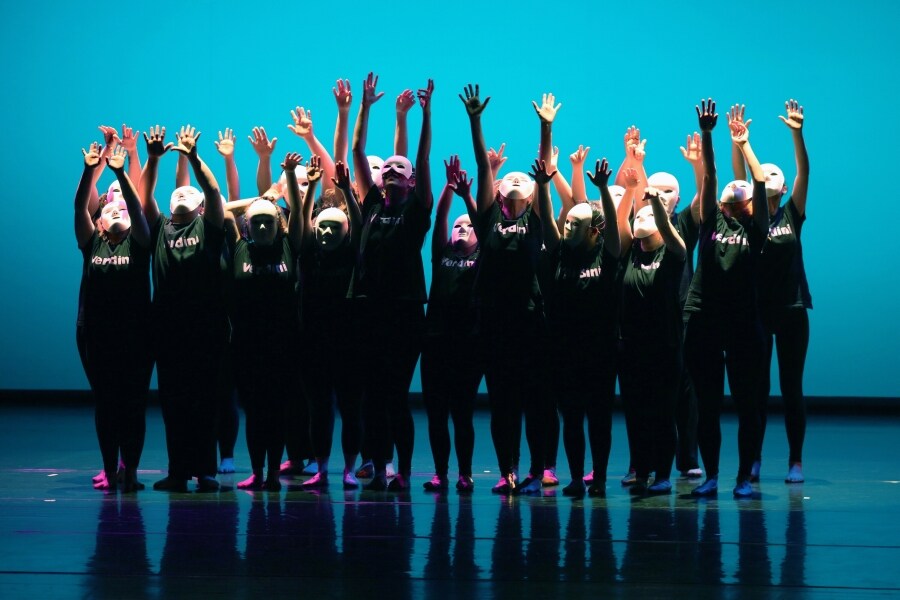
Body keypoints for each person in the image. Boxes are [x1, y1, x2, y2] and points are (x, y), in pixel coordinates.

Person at [459, 84, 549, 495]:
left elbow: (543, 175)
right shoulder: (488, 217)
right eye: (506, 183)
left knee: (533, 400)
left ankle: (535, 468)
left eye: (522, 185)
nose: (513, 187)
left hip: (529, 324)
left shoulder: (536, 220)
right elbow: (482, 165)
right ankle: (507, 471)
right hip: (493, 325)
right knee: (502, 405)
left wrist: (545, 131)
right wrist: (475, 121)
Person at [351, 73, 434, 491]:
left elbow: (419, 159)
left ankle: (401, 468)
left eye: (398, 170)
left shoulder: (416, 213)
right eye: (387, 169)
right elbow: (357, 151)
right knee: (370, 393)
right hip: (368, 307)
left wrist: (425, 114)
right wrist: (365, 108)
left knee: (396, 395)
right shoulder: (370, 205)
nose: (390, 172)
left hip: (403, 312)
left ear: (412, 181)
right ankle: (376, 463)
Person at [683, 100, 769, 498]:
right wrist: (708, 134)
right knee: (707, 403)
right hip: (704, 318)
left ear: (751, 206)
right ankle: (714, 475)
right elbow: (712, 175)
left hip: (742, 323)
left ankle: (742, 479)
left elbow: (762, 185)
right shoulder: (710, 222)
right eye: (730, 202)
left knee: (748, 403)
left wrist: (746, 145)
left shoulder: (756, 230)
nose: (736, 206)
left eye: (743, 202)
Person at [140, 125, 228, 493]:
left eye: (188, 194)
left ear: (200, 208)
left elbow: (212, 189)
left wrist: (193, 156)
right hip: (169, 331)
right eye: (177, 192)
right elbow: (143, 198)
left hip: (206, 330)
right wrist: (154, 158)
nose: (182, 195)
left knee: (204, 403)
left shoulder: (209, 228)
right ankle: (178, 471)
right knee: (174, 405)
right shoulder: (160, 228)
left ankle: (206, 472)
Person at [730, 101, 811, 483]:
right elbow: (740, 176)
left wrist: (797, 133)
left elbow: (804, 172)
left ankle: (795, 461)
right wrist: (739, 142)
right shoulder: (751, 215)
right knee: (757, 390)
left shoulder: (792, 213)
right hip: (758, 311)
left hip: (792, 308)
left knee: (791, 387)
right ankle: (756, 459)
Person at [534, 153, 621, 497]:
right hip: (564, 351)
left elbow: (614, 232)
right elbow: (546, 224)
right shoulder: (559, 253)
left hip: (600, 352)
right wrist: (543, 186)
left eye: (575, 225)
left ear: (593, 231)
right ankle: (574, 477)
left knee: (598, 418)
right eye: (567, 223)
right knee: (571, 417)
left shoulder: (606, 255)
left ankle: (598, 478)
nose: (568, 227)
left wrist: (603, 190)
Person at [226, 152, 307, 491]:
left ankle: (273, 473)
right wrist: (265, 198)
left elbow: (299, 213)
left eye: (268, 222)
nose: (261, 226)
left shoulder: (290, 245)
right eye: (256, 221)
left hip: (284, 347)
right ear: (247, 225)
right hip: (246, 347)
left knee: (277, 413)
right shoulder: (238, 246)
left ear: (278, 225)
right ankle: (257, 472)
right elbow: (227, 207)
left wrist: (286, 178)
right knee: (255, 414)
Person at [74, 143, 152, 493]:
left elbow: (136, 206)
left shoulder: (139, 243)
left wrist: (121, 171)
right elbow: (79, 206)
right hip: (98, 337)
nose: (118, 209)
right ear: (99, 219)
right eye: (111, 207)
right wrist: (91, 170)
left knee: (133, 406)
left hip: (136, 338)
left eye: (124, 206)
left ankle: (131, 471)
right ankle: (109, 469)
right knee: (106, 404)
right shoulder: (92, 243)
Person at [297, 161, 365, 490]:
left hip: (350, 346)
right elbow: (302, 226)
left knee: (351, 409)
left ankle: (349, 469)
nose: (325, 233)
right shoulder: (309, 256)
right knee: (319, 410)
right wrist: (310, 189)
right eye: (321, 228)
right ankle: (321, 468)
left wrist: (349, 192)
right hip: (313, 344)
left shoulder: (353, 255)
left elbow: (360, 224)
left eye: (333, 229)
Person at [616, 182, 687, 495]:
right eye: (639, 216)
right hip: (631, 349)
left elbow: (674, 240)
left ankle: (662, 474)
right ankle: (641, 471)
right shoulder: (629, 253)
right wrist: (626, 191)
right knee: (636, 414)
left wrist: (657, 205)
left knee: (662, 414)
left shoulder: (671, 255)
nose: (641, 219)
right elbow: (619, 222)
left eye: (651, 217)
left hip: (664, 348)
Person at [421, 156, 482, 493]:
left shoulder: (482, 257)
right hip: (435, 342)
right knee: (436, 414)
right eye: (458, 226)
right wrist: (447, 187)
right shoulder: (442, 253)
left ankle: (465, 473)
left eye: (467, 226)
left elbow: (482, 226)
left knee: (462, 414)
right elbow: (440, 216)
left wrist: (468, 200)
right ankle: (440, 473)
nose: (461, 229)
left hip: (468, 344)